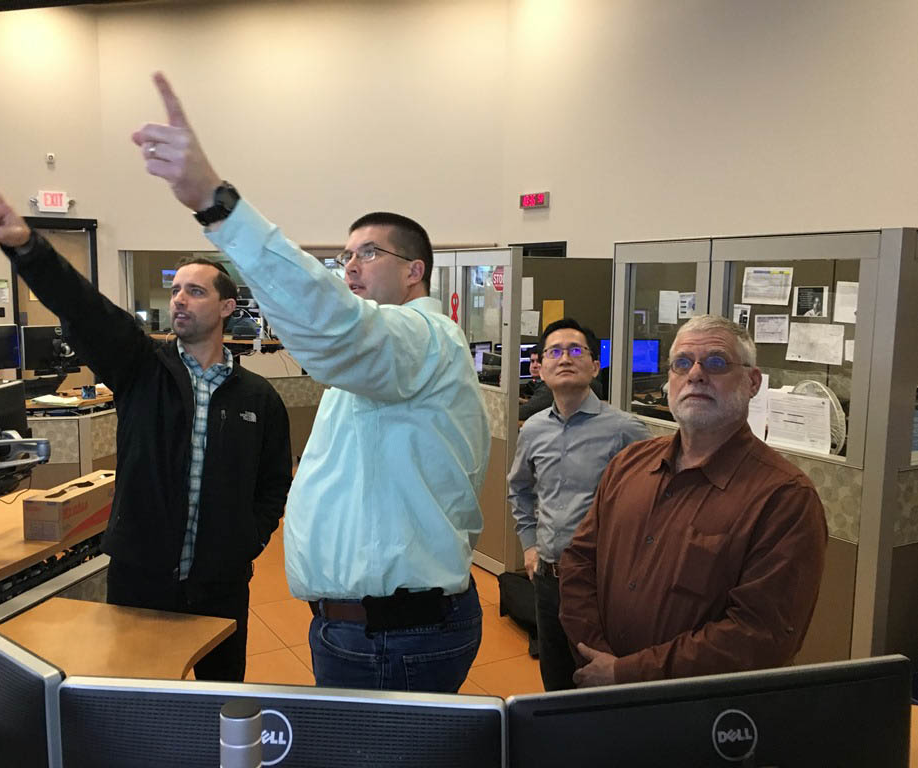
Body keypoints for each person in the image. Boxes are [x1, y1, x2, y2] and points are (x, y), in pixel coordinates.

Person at [130, 72, 490, 692]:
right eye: (345, 256)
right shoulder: (380, 366)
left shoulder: (423, 338)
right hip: (362, 630)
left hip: (394, 637)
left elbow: (336, 328)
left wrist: (218, 205)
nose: (350, 266)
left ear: (416, 272)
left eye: (369, 253)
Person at [0, 179, 293, 682]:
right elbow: (84, 309)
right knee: (141, 707)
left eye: (196, 289)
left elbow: (274, 483)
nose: (179, 299)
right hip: (140, 577)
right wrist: (26, 248)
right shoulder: (141, 369)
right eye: (175, 289)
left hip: (221, 583)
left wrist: (246, 541)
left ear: (227, 306)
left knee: (221, 701)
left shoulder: (259, 398)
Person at [558, 314, 827, 687]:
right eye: (682, 362)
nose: (696, 374)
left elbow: (760, 637)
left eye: (716, 362)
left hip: (700, 719)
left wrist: (627, 673)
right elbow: (578, 563)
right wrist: (596, 656)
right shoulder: (629, 465)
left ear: (752, 382)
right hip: (598, 688)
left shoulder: (784, 499)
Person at [508, 318, 649, 690]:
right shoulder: (534, 429)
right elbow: (519, 488)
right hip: (548, 579)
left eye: (576, 350)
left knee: (599, 682)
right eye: (554, 351)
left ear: (594, 365)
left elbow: (655, 502)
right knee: (554, 679)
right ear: (539, 365)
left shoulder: (626, 430)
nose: (565, 358)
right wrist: (529, 545)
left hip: (601, 583)